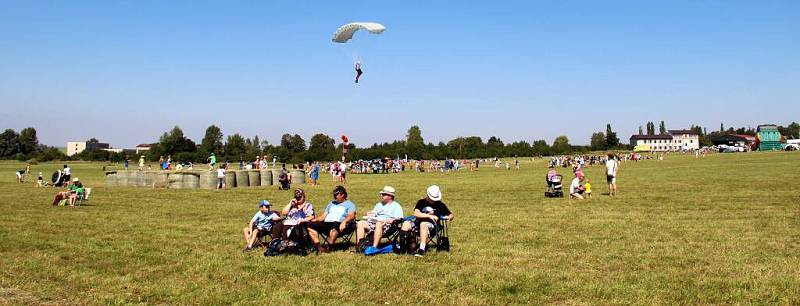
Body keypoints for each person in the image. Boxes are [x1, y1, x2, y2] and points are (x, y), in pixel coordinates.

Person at [401, 185, 453, 257]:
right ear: (428, 195)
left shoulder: (440, 205)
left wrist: (448, 217)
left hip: (432, 227)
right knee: (406, 224)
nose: (433, 200)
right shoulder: (421, 202)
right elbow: (416, 213)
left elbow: (451, 215)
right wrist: (429, 216)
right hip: (417, 224)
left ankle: (421, 250)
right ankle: (404, 248)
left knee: (423, 224)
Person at [307, 186, 357, 253]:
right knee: (310, 225)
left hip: (340, 224)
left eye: (336, 195)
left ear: (343, 195)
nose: (334, 196)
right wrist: (315, 219)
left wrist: (344, 221)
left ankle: (330, 247)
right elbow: (323, 217)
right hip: (327, 223)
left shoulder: (350, 204)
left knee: (334, 227)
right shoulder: (331, 203)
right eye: (334, 195)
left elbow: (351, 215)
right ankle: (319, 247)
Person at [356, 186, 404, 251]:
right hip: (374, 223)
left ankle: (374, 247)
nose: (382, 195)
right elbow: (374, 213)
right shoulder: (379, 205)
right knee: (360, 223)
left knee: (379, 224)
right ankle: (359, 246)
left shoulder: (396, 206)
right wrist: (370, 214)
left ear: (390, 196)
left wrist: (388, 221)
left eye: (384, 194)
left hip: (387, 225)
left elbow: (399, 218)